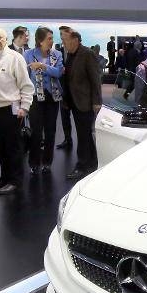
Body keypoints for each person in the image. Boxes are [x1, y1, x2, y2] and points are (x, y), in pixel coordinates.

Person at [0, 27, 34, 195]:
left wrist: (25, 107)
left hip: (10, 109)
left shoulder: (15, 58)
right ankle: (4, 178)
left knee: (14, 146)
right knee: (0, 146)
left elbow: (25, 84)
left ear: (5, 38)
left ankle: (15, 181)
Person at [23, 27, 64, 175]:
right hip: (35, 98)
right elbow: (25, 77)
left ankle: (47, 162)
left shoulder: (57, 54)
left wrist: (42, 66)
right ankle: (34, 163)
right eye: (49, 38)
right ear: (40, 41)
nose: (52, 41)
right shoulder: (28, 54)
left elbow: (58, 72)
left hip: (53, 98)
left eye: (52, 38)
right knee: (36, 132)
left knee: (51, 131)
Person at [62, 29, 101, 180]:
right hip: (74, 102)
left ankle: (82, 166)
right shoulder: (71, 54)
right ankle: (92, 163)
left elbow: (95, 79)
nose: (63, 43)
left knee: (83, 135)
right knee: (85, 135)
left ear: (75, 40)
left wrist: (97, 101)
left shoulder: (87, 54)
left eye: (65, 39)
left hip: (85, 102)